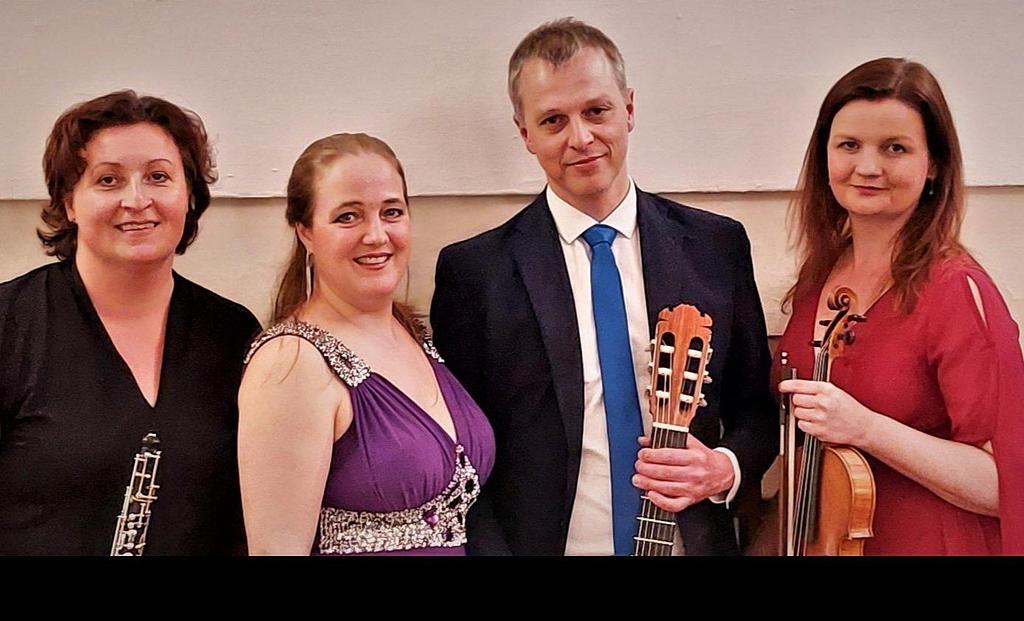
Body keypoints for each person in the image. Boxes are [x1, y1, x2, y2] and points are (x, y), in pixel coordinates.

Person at [430, 18, 777, 555]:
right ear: (525, 134)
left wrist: (724, 467)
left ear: (629, 110)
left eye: (597, 111)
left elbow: (757, 409)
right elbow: (464, 457)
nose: (581, 138)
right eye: (553, 120)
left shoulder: (716, 247)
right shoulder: (475, 273)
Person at [777, 57, 1024, 555]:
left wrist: (867, 428)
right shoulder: (819, 278)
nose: (868, 167)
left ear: (933, 165)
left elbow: (1005, 484)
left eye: (895, 148)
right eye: (849, 145)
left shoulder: (956, 290)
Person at [0, 90, 260, 555]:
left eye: (159, 177)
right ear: (70, 202)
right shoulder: (10, 324)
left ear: (189, 195)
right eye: (108, 180)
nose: (136, 200)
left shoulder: (233, 333)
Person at [238, 133, 495, 555]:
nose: (376, 235)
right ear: (305, 232)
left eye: (391, 212)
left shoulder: (410, 333)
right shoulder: (291, 363)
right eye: (348, 217)